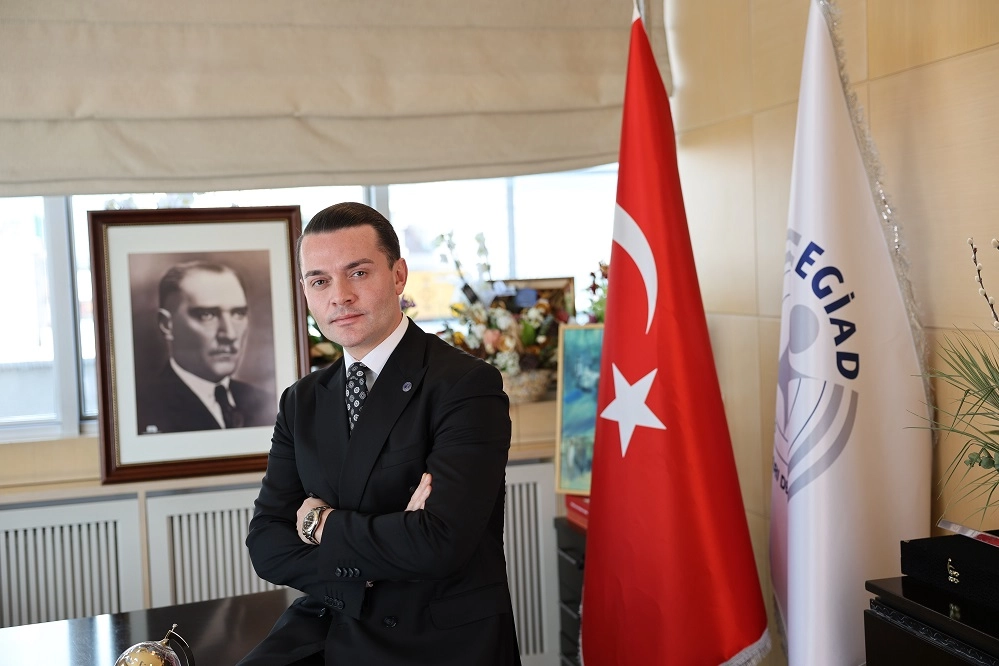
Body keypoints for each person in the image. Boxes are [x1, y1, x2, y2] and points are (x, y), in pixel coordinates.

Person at [238, 202, 521, 665]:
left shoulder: (465, 384)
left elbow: (439, 542)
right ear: (306, 292)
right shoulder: (301, 400)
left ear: (398, 275)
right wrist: (378, 554)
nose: (340, 296)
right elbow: (267, 545)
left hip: (437, 642)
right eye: (320, 281)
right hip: (336, 619)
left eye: (358, 273)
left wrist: (318, 524)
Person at [136, 260, 275, 434]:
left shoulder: (266, 402)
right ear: (167, 325)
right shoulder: (142, 410)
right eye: (207, 315)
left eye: (238, 314)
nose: (230, 335)